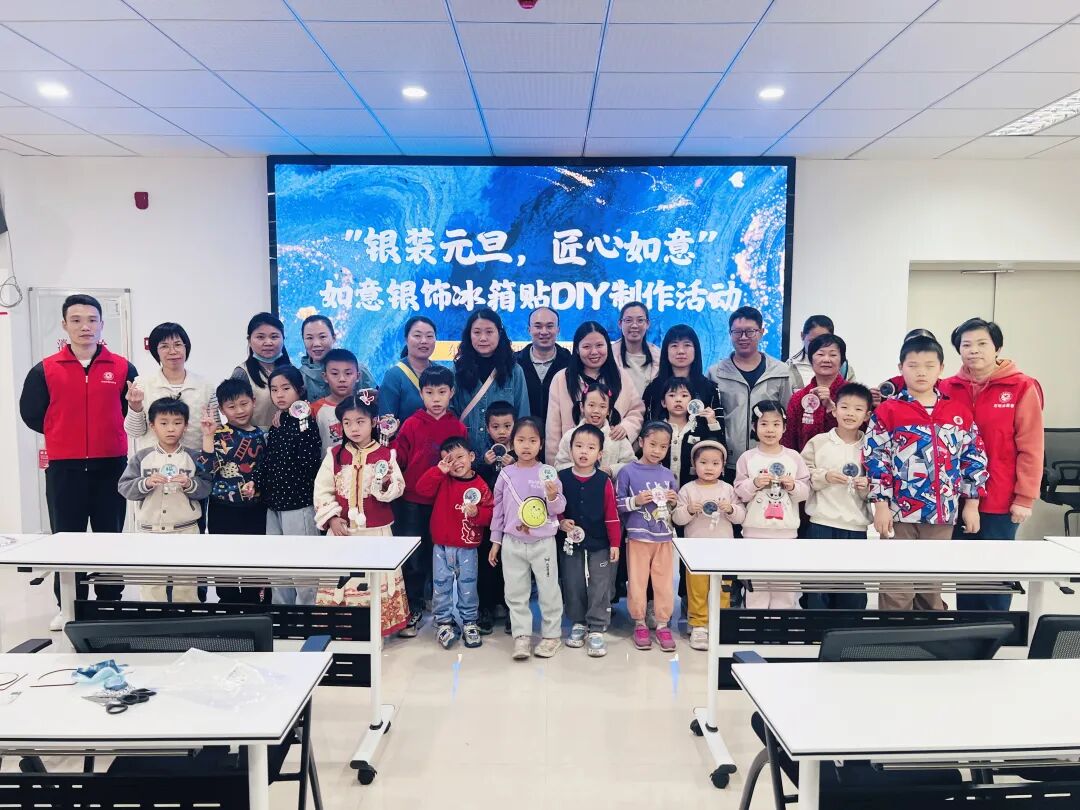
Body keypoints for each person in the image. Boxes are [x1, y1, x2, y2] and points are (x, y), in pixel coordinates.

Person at [19, 293, 136, 624]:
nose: (85, 327)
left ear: (101, 324)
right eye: (77, 320)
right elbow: (31, 413)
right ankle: (68, 605)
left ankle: (110, 601)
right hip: (64, 467)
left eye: (92, 320)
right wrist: (63, 432)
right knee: (66, 538)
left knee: (109, 537)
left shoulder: (122, 367)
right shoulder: (45, 370)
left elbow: (131, 411)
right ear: (64, 325)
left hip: (110, 465)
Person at [864, 335, 989, 611]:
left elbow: (973, 457)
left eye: (929, 366)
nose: (921, 372)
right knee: (897, 586)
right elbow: (876, 459)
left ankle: (930, 635)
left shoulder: (957, 412)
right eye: (913, 365)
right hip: (899, 513)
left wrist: (972, 504)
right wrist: (881, 505)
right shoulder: (888, 411)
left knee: (930, 586)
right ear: (901, 368)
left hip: (942, 514)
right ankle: (894, 635)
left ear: (941, 369)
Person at [941, 318, 1044, 611]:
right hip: (958, 496)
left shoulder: (1022, 386)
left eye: (982, 343)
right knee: (967, 573)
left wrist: (1025, 497)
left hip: (1001, 496)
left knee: (996, 572)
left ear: (997, 347)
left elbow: (1032, 446)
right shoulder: (947, 387)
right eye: (966, 345)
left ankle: (996, 630)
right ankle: (968, 630)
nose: (973, 350)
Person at [313, 392, 409, 635]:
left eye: (360, 422)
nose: (354, 428)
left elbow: (398, 487)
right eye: (347, 423)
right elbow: (322, 490)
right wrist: (331, 518)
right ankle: (343, 627)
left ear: (373, 422)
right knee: (342, 578)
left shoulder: (386, 454)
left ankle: (376, 630)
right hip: (343, 533)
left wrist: (384, 485)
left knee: (374, 578)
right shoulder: (334, 455)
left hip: (376, 532)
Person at [392, 365, 468, 637]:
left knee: (443, 558)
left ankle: (442, 609)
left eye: (442, 392)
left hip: (444, 502)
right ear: (421, 393)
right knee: (413, 558)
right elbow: (399, 459)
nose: (436, 399)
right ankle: (412, 608)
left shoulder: (457, 426)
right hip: (412, 501)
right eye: (429, 392)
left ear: (452, 393)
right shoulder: (411, 424)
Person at [117, 397, 210, 603]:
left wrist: (190, 484)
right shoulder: (142, 457)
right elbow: (124, 487)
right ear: (152, 425)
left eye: (177, 423)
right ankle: (153, 619)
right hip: (149, 531)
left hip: (186, 530)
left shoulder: (194, 457)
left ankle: (186, 620)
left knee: (186, 584)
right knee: (152, 584)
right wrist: (145, 483)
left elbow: (206, 487)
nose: (171, 429)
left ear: (186, 426)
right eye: (164, 423)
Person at [488, 417, 566, 661]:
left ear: (541, 444)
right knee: (515, 592)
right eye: (521, 440)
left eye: (532, 440)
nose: (526, 446)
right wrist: (496, 541)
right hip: (512, 542)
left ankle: (551, 636)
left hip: (543, 543)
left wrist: (552, 496)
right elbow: (498, 510)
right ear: (512, 443)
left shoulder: (548, 473)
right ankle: (521, 636)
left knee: (549, 590)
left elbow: (559, 508)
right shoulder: (506, 475)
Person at [415, 436, 494, 650]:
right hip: (441, 546)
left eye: (460, 457)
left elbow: (491, 514)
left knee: (468, 585)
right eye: (449, 460)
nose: (456, 463)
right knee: (441, 586)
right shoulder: (443, 480)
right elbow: (422, 489)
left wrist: (477, 513)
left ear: (472, 456)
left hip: (468, 547)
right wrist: (438, 471)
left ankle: (469, 622)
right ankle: (443, 623)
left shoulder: (480, 485)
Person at [801, 383, 874, 610]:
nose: (850, 413)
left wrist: (866, 486)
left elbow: (880, 484)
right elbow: (803, 474)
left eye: (858, 409)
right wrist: (825, 476)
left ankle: (849, 628)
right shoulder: (819, 442)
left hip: (855, 526)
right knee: (818, 586)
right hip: (821, 523)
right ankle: (816, 627)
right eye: (844, 407)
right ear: (834, 410)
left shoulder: (871, 446)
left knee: (852, 589)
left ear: (867, 415)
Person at [734, 401, 811, 609]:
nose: (770, 429)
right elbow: (739, 492)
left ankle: (780, 624)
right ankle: (755, 624)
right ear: (754, 426)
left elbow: (805, 492)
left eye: (776, 424)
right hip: (754, 533)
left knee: (784, 587)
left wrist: (792, 486)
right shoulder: (747, 458)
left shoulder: (793, 457)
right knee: (756, 587)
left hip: (786, 533)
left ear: (784, 427)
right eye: (764, 424)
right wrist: (754, 483)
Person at [196, 378, 267, 603]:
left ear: (253, 401)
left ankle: (254, 607)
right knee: (225, 561)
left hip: (255, 509)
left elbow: (266, 471)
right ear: (222, 409)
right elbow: (206, 469)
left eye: (244, 404)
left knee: (255, 561)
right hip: (223, 508)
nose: (239, 411)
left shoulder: (263, 435)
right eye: (231, 406)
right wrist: (208, 436)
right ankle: (228, 607)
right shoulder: (218, 434)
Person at [257, 367, 322, 605]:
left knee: (303, 567)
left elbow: (309, 462)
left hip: (298, 503)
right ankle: (281, 617)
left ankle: (308, 618)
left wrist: (301, 418)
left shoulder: (306, 422)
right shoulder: (278, 422)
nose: (279, 395)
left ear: (300, 390)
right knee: (277, 567)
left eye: (286, 388)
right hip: (273, 504)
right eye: (274, 390)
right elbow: (268, 459)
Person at [557, 424, 622, 658]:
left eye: (591, 447)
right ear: (570, 449)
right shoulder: (561, 477)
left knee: (600, 582)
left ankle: (597, 626)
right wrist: (561, 522)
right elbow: (555, 507)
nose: (584, 451)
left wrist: (615, 543)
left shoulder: (604, 481)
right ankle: (577, 622)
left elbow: (612, 514)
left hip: (600, 541)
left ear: (600, 454)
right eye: (579, 446)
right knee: (572, 580)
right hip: (570, 542)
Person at [672, 440, 745, 650]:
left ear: (723, 467)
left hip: (723, 549)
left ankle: (719, 622)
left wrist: (730, 509)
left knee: (723, 587)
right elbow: (677, 519)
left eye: (715, 463)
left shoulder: (728, 489)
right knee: (697, 588)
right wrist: (689, 510)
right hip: (696, 550)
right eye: (703, 462)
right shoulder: (688, 489)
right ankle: (698, 625)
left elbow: (741, 517)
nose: (709, 467)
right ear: (694, 465)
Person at [707, 306, 792, 481]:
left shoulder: (781, 372)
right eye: (737, 332)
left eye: (750, 331)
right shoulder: (715, 373)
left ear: (761, 332)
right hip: (725, 461)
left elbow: (788, 416)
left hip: (768, 461)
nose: (743, 337)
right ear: (730, 334)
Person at [616, 421, 679, 652]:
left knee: (664, 583)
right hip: (638, 536)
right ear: (641, 442)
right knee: (637, 581)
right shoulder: (627, 472)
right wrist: (636, 501)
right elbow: (617, 504)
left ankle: (662, 624)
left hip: (664, 537)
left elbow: (674, 506)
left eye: (663, 447)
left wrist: (673, 500)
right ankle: (640, 622)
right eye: (653, 444)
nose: (657, 451)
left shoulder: (667, 474)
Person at [545, 321, 645, 463]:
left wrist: (626, 428)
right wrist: (553, 467)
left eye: (599, 345)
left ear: (608, 346)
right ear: (577, 349)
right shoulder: (561, 379)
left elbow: (636, 410)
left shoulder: (620, 376)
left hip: (612, 462)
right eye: (586, 347)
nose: (594, 352)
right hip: (573, 465)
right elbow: (553, 430)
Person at [124, 322, 213, 452]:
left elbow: (215, 431)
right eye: (164, 346)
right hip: (154, 461)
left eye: (178, 344)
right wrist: (135, 407)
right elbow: (134, 432)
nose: (173, 351)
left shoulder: (206, 386)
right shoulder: (142, 384)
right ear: (156, 351)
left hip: (194, 460)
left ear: (186, 347)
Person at [452, 307, 530, 455]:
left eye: (489, 332)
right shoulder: (458, 370)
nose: (483, 338)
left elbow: (523, 415)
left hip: (505, 456)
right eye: (477, 332)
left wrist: (516, 455)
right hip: (466, 455)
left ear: (499, 333)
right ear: (469, 335)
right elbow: (451, 412)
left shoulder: (514, 370)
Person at [475, 401, 515, 635]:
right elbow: (474, 480)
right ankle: (486, 609)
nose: (502, 431)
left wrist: (516, 465)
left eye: (507, 426)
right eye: (496, 426)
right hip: (489, 520)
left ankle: (511, 609)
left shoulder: (521, 452)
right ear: (487, 428)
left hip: (513, 521)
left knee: (512, 566)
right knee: (486, 564)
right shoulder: (484, 454)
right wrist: (484, 464)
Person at [642, 323, 724, 426]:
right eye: (674, 345)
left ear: (696, 350)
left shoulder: (710, 389)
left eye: (687, 345)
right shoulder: (653, 389)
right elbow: (646, 428)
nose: (681, 351)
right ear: (666, 351)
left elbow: (719, 429)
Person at [552, 380, 635, 479]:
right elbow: (559, 465)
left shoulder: (616, 436)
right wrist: (579, 469)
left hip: (608, 487)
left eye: (602, 406)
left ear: (609, 410)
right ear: (582, 407)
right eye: (591, 405)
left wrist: (611, 470)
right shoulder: (570, 436)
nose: (596, 411)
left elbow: (632, 465)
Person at [782, 334, 849, 453]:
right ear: (811, 360)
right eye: (820, 354)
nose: (826, 359)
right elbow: (789, 441)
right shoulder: (799, 398)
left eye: (833, 355)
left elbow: (860, 432)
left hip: (845, 462)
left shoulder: (853, 394)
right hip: (806, 463)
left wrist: (831, 409)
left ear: (842, 360)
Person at [657, 376, 726, 488]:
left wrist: (712, 422)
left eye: (684, 395)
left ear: (692, 402)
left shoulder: (700, 429)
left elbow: (719, 449)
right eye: (672, 395)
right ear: (663, 402)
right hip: (661, 490)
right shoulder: (656, 429)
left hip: (694, 491)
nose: (678, 399)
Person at [232, 312, 293, 430]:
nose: (268, 342)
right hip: (255, 438)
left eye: (274, 337)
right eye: (260, 337)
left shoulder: (293, 371)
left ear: (283, 338)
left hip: (291, 437)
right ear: (249, 340)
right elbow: (234, 413)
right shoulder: (242, 373)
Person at [515, 306, 571, 428]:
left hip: (561, 434)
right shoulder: (514, 363)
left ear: (558, 329)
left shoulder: (570, 363)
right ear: (529, 329)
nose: (544, 332)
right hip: (523, 435)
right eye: (538, 326)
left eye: (550, 326)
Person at [299, 314, 374, 401]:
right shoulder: (300, 376)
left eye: (322, 337)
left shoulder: (358, 369)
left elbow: (376, 400)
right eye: (309, 338)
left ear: (334, 338)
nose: (316, 344)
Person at [379, 315, 437, 423]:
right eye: (417, 335)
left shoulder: (441, 372)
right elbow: (386, 423)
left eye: (429, 336)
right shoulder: (394, 376)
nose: (424, 341)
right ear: (406, 339)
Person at [310, 348, 363, 454]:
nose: (342, 379)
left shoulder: (366, 406)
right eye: (334, 374)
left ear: (358, 376)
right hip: (327, 464)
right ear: (325, 377)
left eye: (348, 373)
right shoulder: (314, 410)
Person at [787, 315, 856, 391]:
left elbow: (854, 395)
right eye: (813, 341)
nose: (818, 346)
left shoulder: (844, 368)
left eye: (824, 340)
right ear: (802, 336)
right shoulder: (789, 368)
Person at [612, 301, 661, 397]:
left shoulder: (658, 356)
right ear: (620, 324)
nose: (634, 325)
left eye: (640, 320)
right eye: (628, 320)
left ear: (647, 324)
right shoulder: (609, 354)